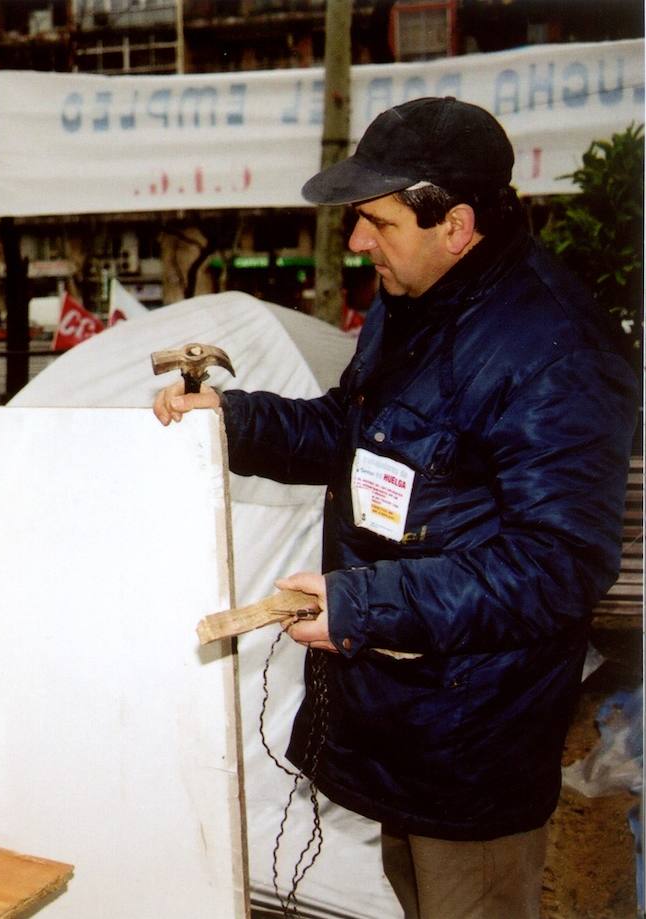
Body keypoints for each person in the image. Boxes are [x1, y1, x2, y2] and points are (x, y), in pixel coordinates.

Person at [153, 97, 637, 917]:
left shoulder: (557, 352)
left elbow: (559, 565)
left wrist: (364, 602)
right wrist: (234, 422)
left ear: (455, 223)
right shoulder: (415, 300)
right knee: (418, 899)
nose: (356, 242)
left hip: (474, 735)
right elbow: (355, 430)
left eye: (375, 221)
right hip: (407, 714)